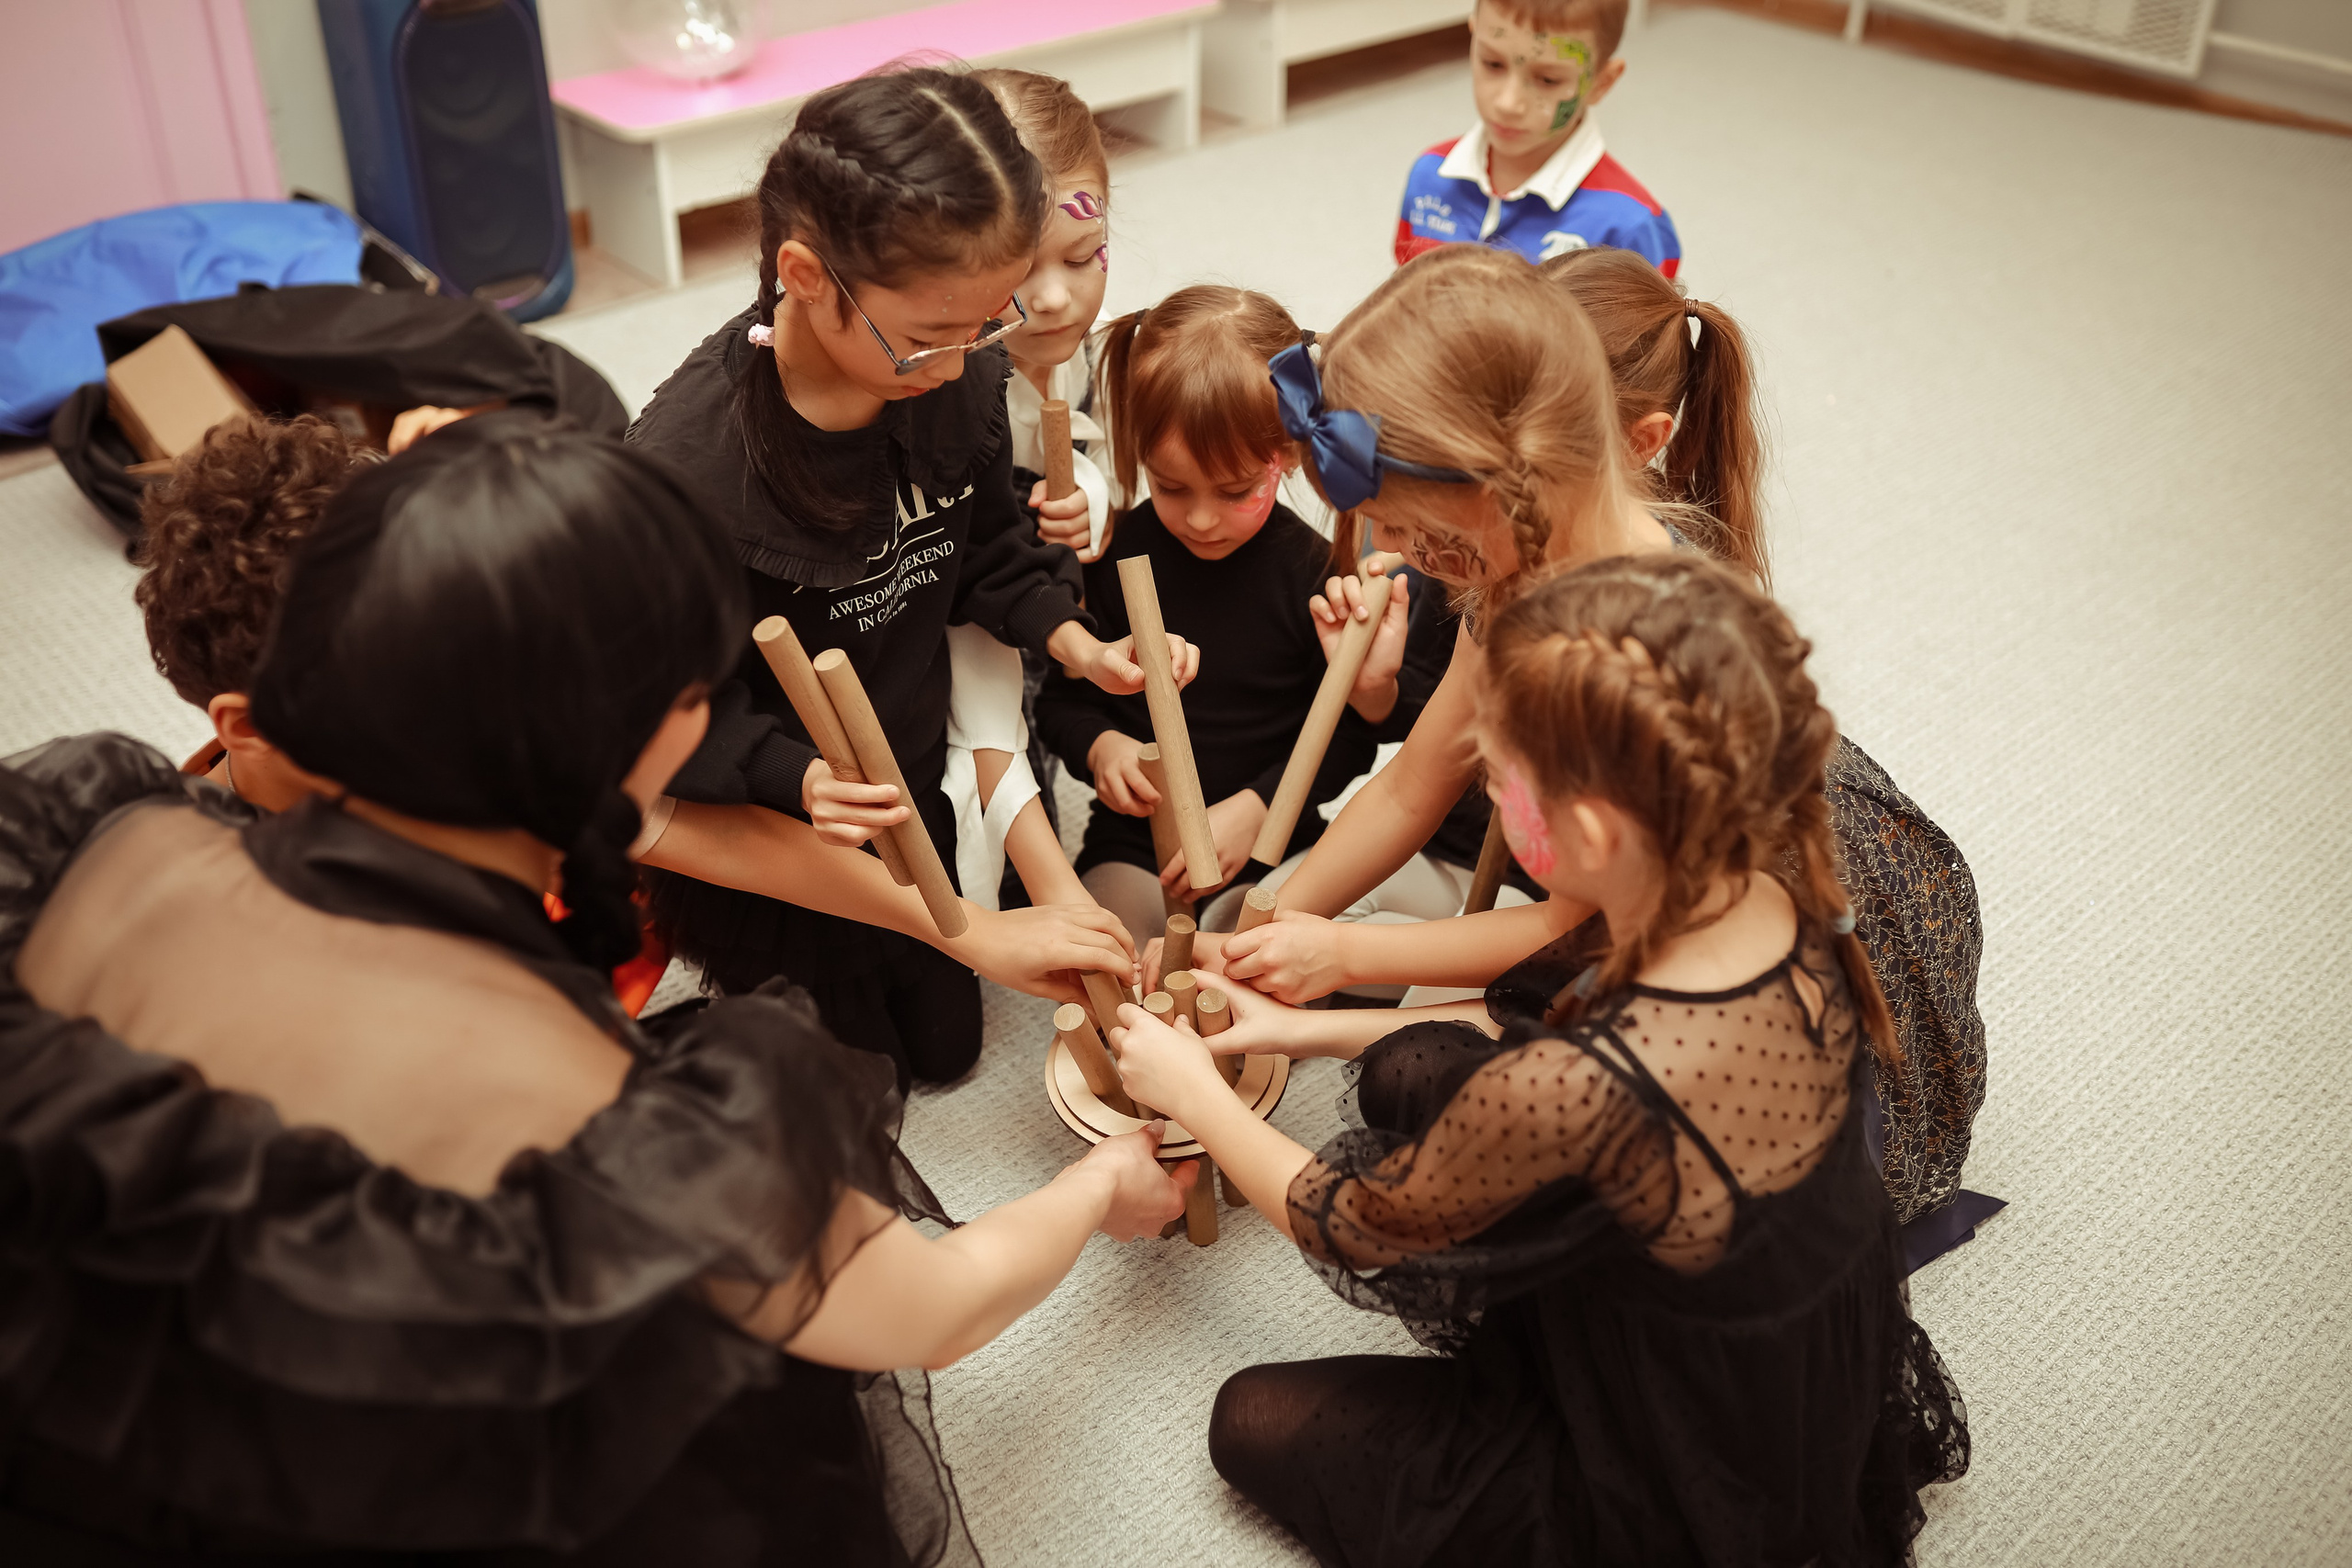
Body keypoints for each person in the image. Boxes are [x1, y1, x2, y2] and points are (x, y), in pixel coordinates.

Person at [0, 415, 1192, 1564]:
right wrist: (1099, 1182)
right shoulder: (613, 1113)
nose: (716, 717)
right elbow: (929, 1303)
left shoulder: (101, 835)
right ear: (607, 735)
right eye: (699, 696)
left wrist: (968, 925)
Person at [1110, 554, 1971, 1566]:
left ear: (1593, 829)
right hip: (1759, 1336)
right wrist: (1298, 1028)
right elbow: (1541, 1053)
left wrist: (1193, 1098)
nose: (1487, 789)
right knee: (1417, 1063)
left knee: (1246, 1418)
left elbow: (1351, 1227)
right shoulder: (1762, 895)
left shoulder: (1580, 1085)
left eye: (1500, 778)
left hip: (1678, 1456)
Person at [1200, 244, 1987, 1234]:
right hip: (1613, 905)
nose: (1395, 554)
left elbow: (1569, 938)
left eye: (1407, 528)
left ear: (1497, 485)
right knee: (1417, 1072)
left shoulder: (1628, 659)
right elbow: (1416, 782)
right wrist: (1275, 919)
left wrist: (1338, 953)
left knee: (1465, 1121)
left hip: (1754, 980)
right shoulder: (1528, 549)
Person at [627, 69, 1194, 1086]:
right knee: (856, 1086)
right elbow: (670, 724)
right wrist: (791, 776)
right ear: (803, 275)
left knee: (945, 1052)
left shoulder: (962, 363)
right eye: (932, 334)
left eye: (987, 323)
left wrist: (1065, 634)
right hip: (772, 825)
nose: (964, 362)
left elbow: (981, 547)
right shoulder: (684, 480)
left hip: (900, 774)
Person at [1034, 286, 1397, 949]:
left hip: (1270, 830)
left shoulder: (1313, 573)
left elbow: (1348, 734)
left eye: (1235, 492)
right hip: (1137, 839)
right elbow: (1061, 700)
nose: (1201, 519)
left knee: (1254, 952)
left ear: (1285, 455)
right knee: (1110, 956)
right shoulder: (1114, 555)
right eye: (1171, 487)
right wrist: (1101, 747)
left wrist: (1258, 808)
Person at [945, 64, 1122, 906]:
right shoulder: (938, 380)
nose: (1055, 298)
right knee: (998, 864)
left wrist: (1093, 487)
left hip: (1057, 620)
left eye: (1084, 256)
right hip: (960, 625)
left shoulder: (1089, 358)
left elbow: (1113, 463)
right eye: (1021, 267)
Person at [1395, 0, 1679, 272]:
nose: (1508, 103)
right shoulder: (1430, 177)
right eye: (1493, 63)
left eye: (1548, 80)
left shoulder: (1629, 226)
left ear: (1601, 83)